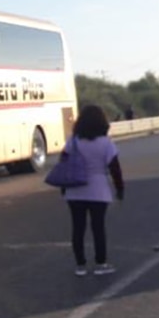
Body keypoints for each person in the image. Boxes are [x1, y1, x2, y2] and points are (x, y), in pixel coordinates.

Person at [62, 104, 125, 276]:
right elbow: (115, 169)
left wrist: (64, 188)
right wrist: (120, 189)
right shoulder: (106, 143)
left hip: (75, 191)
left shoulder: (72, 141)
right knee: (98, 228)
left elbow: (64, 165)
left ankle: (80, 265)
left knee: (78, 228)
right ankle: (100, 263)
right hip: (98, 190)